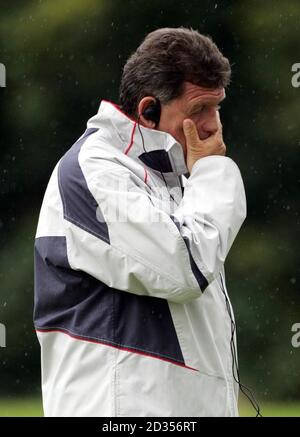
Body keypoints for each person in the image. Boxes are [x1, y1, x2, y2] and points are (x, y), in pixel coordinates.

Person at [34, 27, 246, 417]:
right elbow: (186, 267)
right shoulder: (96, 170)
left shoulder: (174, 174)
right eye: (199, 110)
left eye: (217, 107)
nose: (214, 126)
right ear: (148, 110)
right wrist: (216, 171)